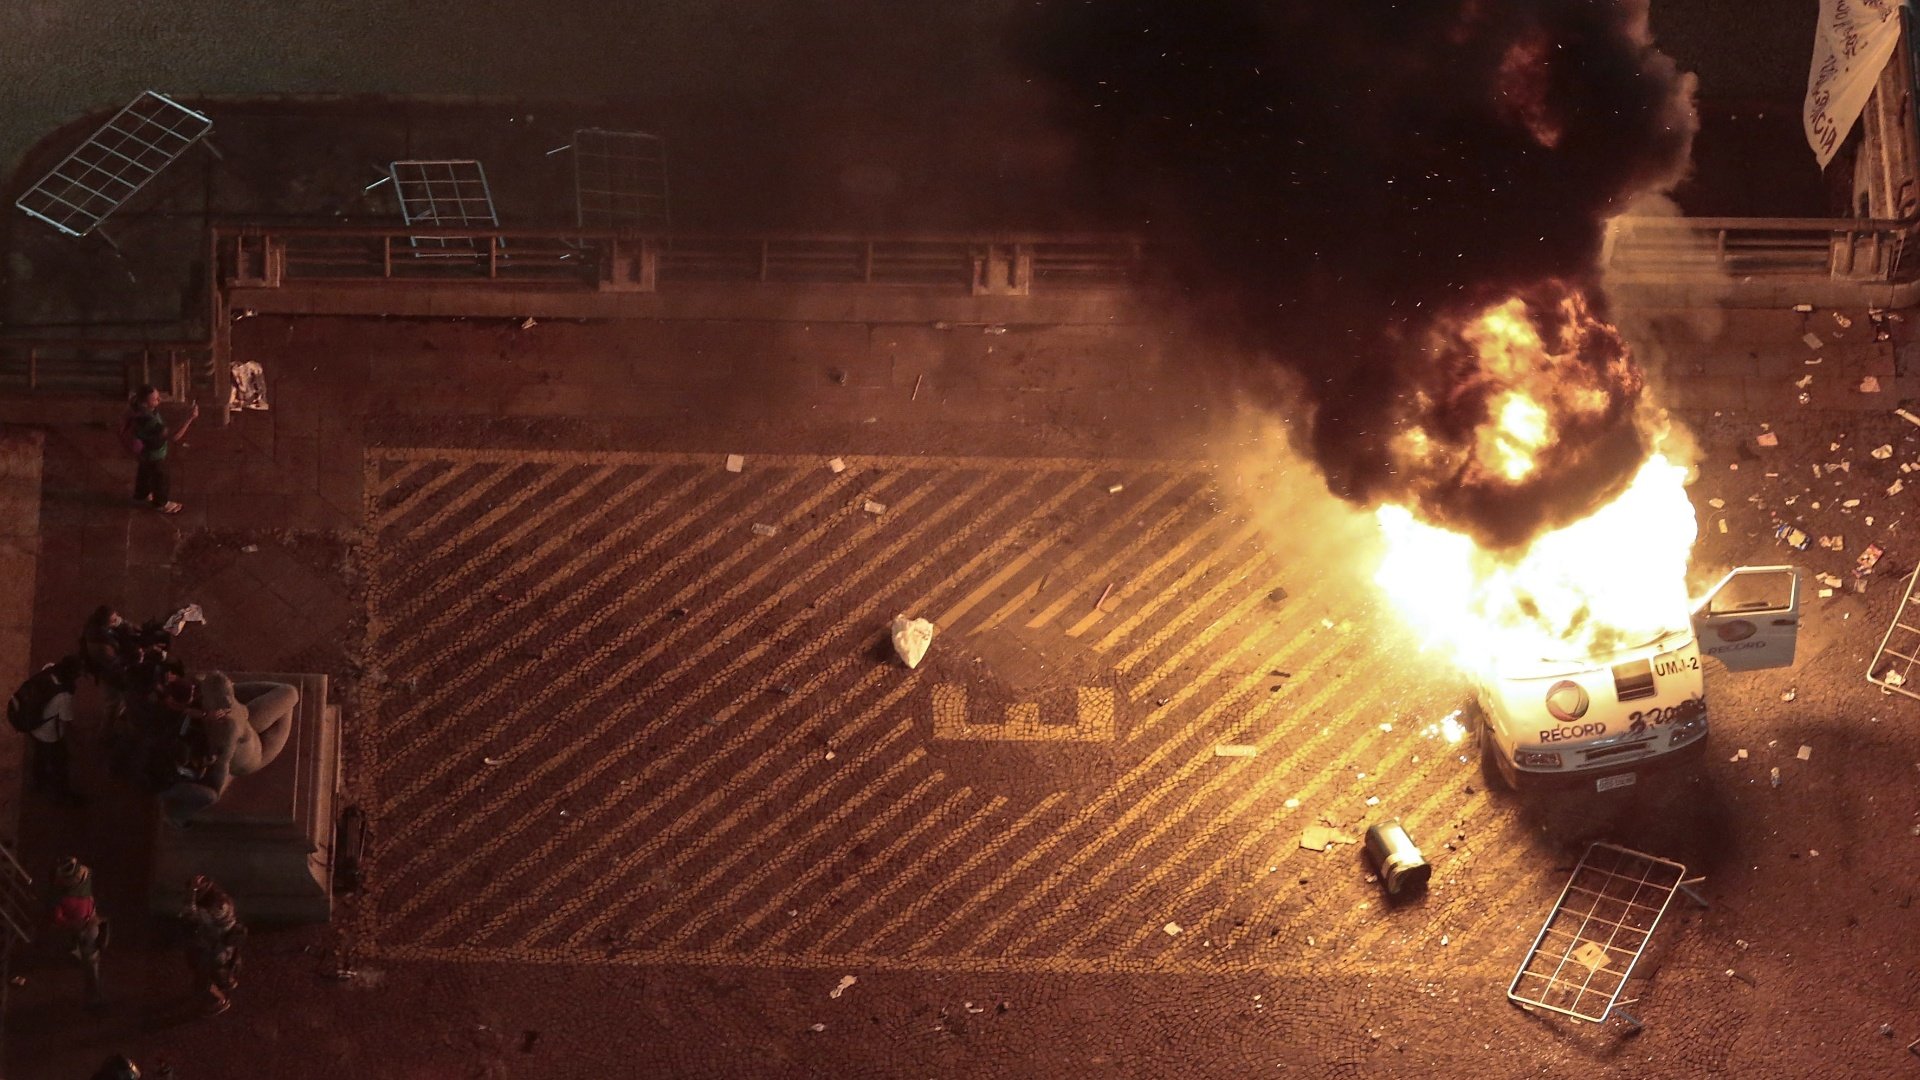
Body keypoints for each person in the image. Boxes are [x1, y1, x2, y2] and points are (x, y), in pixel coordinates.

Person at [197, 673, 299, 793]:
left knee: (290, 694)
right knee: (290, 694)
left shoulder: (227, 720)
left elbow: (222, 765)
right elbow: (222, 764)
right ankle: (230, 691)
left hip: (253, 745)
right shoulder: (228, 725)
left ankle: (230, 690)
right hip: (258, 751)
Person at [9, 655, 86, 804]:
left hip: (33, 725)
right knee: (61, 761)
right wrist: (76, 739)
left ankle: (38, 781)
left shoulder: (49, 668)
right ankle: (62, 793)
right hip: (49, 734)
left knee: (39, 754)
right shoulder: (64, 696)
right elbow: (65, 720)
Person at [118, 385, 197, 515]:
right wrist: (189, 418)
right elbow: (174, 436)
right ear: (145, 403)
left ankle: (141, 494)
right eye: (155, 399)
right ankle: (161, 503)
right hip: (154, 454)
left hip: (143, 451)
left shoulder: (136, 409)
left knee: (144, 472)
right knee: (161, 478)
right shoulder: (151, 422)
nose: (159, 400)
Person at [45, 856, 108, 1010]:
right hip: (84, 926)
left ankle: (94, 998)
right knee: (89, 960)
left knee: (91, 962)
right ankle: (94, 997)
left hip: (86, 926)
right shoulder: (84, 878)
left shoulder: (63, 894)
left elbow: (59, 919)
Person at [180, 875, 244, 1016]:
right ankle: (224, 980)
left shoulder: (216, 907)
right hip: (216, 943)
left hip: (217, 947)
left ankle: (218, 1000)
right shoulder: (217, 902)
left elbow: (189, 914)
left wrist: (192, 893)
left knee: (203, 973)